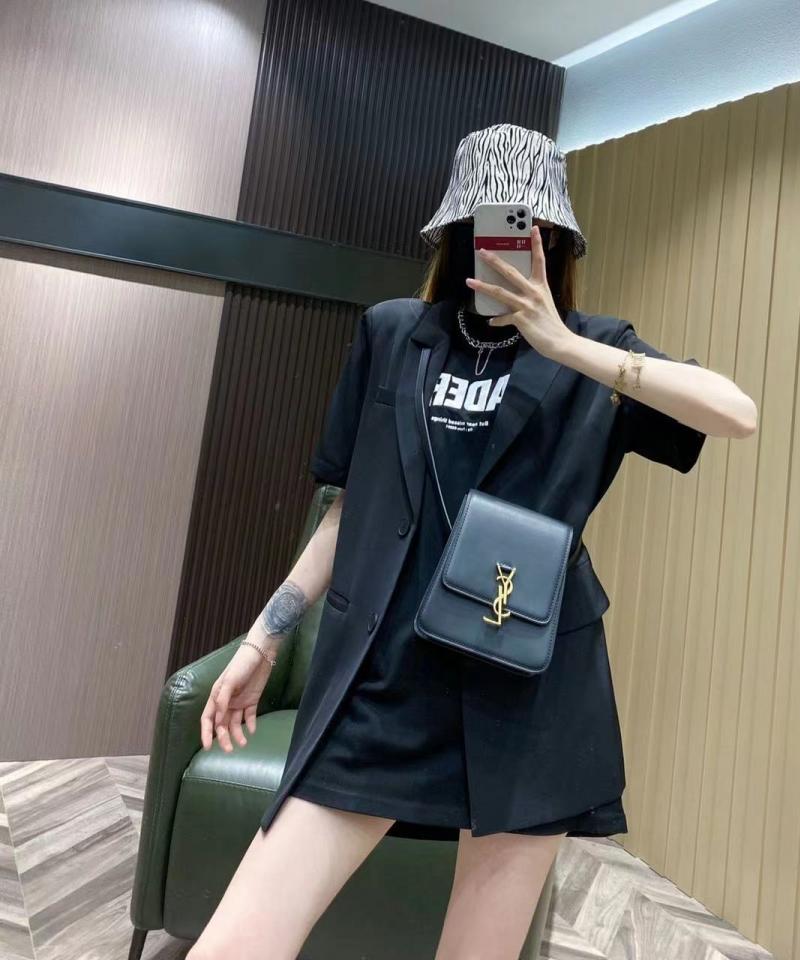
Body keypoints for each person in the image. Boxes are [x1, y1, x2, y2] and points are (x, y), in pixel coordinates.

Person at [188, 123, 757, 960]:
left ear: (554, 237)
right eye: (488, 222)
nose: (508, 241)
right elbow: (348, 511)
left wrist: (564, 345)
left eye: (528, 225)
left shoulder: (596, 351)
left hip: (524, 698)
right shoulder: (393, 335)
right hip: (382, 684)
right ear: (458, 228)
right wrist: (265, 637)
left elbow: (737, 414)